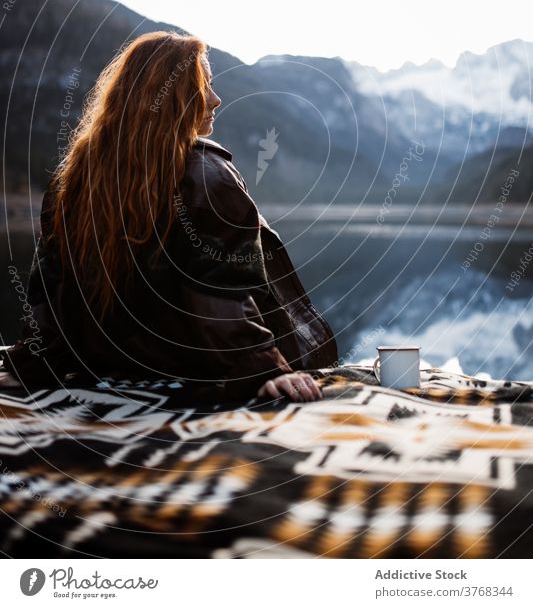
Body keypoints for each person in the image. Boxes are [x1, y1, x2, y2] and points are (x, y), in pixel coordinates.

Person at [0, 31, 337, 402]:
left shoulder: (76, 178)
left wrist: (31, 365)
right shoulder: (208, 176)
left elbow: (51, 289)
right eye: (203, 86)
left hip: (114, 367)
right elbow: (219, 289)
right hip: (203, 371)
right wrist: (263, 368)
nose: (216, 99)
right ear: (172, 97)